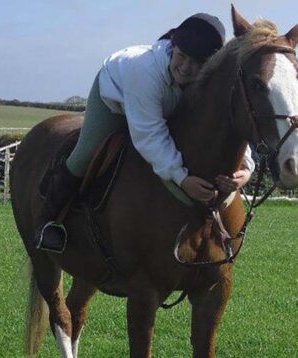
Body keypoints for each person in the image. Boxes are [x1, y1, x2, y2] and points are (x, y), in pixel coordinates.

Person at [36, 13, 255, 253]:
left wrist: (245, 168)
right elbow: (149, 135)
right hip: (115, 96)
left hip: (164, 102)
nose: (185, 68)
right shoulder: (145, 73)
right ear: (172, 48)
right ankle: (48, 220)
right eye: (181, 56)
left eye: (196, 63)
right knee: (85, 152)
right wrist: (182, 178)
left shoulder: (208, 78)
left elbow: (221, 126)